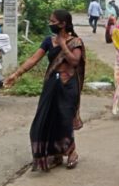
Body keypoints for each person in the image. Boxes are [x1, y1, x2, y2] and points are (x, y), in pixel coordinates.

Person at [5, 10, 84, 171]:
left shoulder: (75, 42)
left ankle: (71, 153)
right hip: (51, 85)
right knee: (45, 120)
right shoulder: (48, 41)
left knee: (64, 120)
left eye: (53, 21)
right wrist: (16, 74)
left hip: (68, 87)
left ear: (63, 24)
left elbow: (75, 61)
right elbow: (34, 59)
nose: (50, 24)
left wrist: (62, 44)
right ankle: (54, 154)